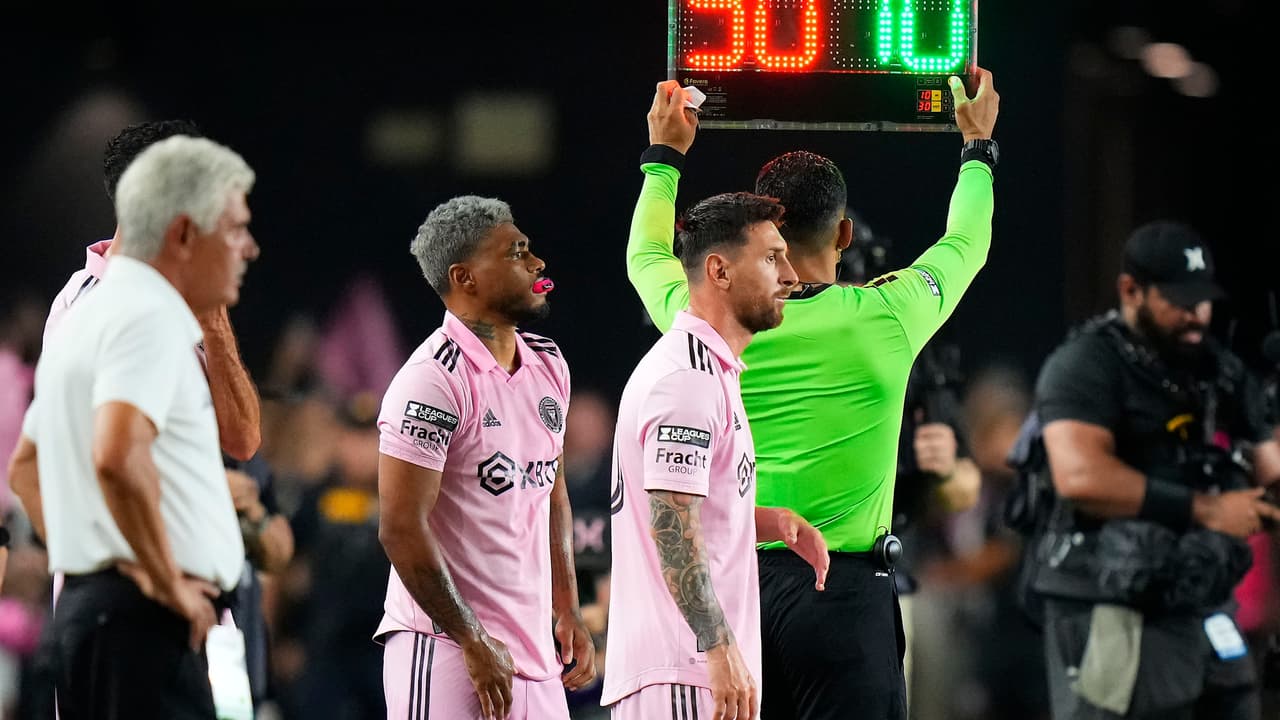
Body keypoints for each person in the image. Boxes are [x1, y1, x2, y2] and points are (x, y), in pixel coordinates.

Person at [623, 71, 999, 719]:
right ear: (845, 235)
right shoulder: (892, 314)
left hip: (729, 595)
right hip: (844, 603)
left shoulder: (710, 316)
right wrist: (977, 149)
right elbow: (967, 241)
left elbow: (643, 256)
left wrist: (665, 159)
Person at [6, 134, 258, 719]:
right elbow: (115, 456)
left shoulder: (96, 305)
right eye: (233, 226)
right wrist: (158, 579)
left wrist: (92, 561)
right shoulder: (142, 316)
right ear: (183, 226)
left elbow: (26, 470)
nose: (248, 248)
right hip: (142, 627)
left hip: (109, 616)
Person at [601, 82, 830, 720]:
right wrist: (719, 645)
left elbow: (685, 506)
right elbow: (670, 525)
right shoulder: (686, 380)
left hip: (690, 672)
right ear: (720, 272)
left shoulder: (710, 369)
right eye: (773, 259)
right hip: (683, 673)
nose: (790, 277)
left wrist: (767, 521)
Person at [1026, 220, 1280, 719]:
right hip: (1107, 600)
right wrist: (1207, 509)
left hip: (1199, 600)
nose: (1197, 314)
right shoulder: (1086, 364)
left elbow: (1268, 461)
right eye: (1179, 300)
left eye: (1203, 299)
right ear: (1131, 290)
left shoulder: (1214, 367)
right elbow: (1080, 477)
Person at [375, 196, 596, 720]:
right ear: (465, 278)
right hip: (446, 646)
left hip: (535, 654)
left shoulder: (549, 364)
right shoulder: (431, 381)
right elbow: (401, 528)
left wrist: (567, 605)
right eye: (517, 253)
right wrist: (471, 638)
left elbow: (552, 493)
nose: (536, 264)